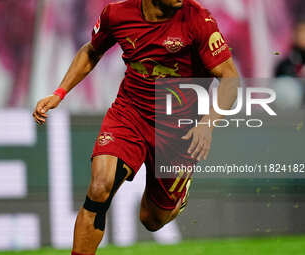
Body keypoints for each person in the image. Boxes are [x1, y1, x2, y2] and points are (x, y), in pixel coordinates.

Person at [32, 0, 239, 254]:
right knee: (100, 187)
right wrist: (60, 92)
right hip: (130, 113)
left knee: (152, 219)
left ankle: (176, 195)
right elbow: (91, 51)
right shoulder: (117, 14)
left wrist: (207, 124)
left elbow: (229, 77)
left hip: (178, 130)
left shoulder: (198, 20)